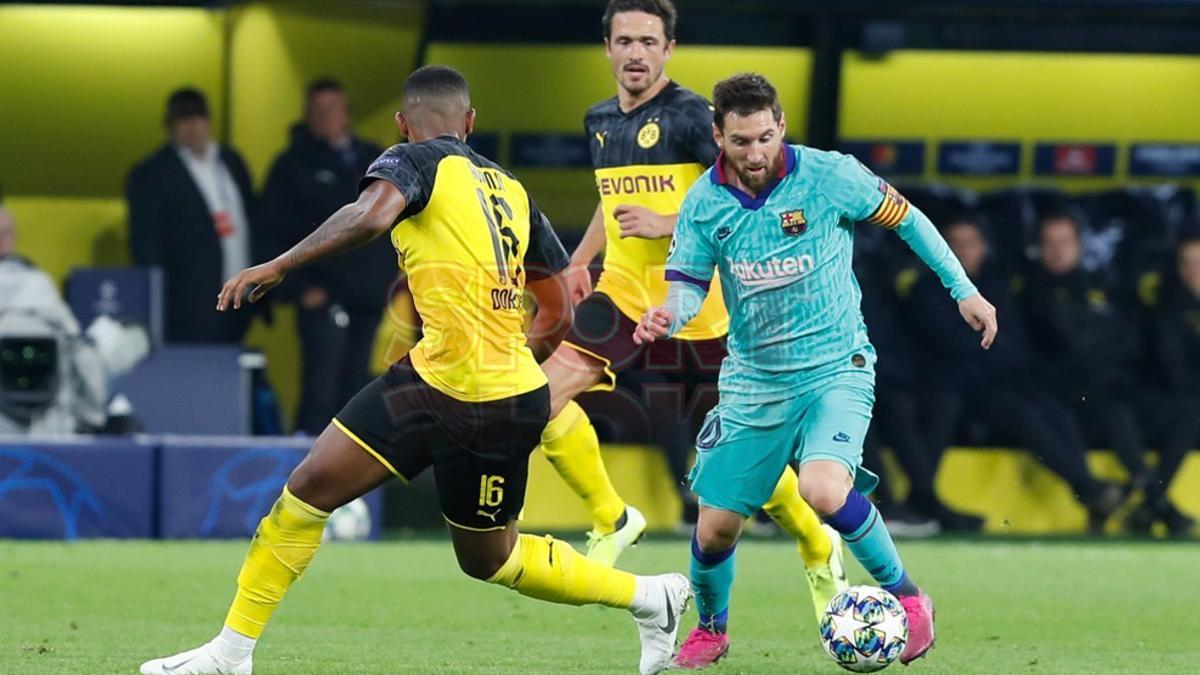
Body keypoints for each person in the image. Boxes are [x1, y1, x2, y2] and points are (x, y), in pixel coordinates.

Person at [139, 66, 690, 675]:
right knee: (307, 492)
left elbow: (372, 216)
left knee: (487, 559)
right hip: (444, 385)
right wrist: (521, 352)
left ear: (403, 124)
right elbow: (561, 293)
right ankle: (230, 654)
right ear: (471, 123)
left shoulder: (413, 160)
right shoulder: (511, 187)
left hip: (481, 400)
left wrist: (278, 265)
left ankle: (649, 597)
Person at [635, 73, 999, 668]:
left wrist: (964, 290)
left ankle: (908, 599)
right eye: (740, 142)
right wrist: (665, 318)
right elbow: (688, 288)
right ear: (717, 136)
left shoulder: (831, 176)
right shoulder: (703, 203)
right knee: (713, 532)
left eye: (765, 138)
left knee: (823, 489)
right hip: (754, 382)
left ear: (780, 126)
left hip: (836, 366)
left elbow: (908, 218)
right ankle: (712, 631)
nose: (755, 154)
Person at [539, 0, 845, 613]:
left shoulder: (688, 117)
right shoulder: (599, 119)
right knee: (535, 402)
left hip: (704, 309)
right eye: (624, 40)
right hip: (623, 293)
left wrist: (667, 222)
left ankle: (817, 541)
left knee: (748, 463)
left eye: (648, 41)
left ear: (669, 49)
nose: (635, 53)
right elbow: (610, 199)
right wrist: (579, 260)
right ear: (607, 48)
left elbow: (748, 195)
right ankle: (612, 517)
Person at [907, 217, 1123, 531]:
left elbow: (1014, 342)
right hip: (960, 386)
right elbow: (952, 346)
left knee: (1053, 408)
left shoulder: (994, 285)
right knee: (1021, 412)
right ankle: (1089, 488)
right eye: (956, 244)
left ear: (983, 247)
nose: (964, 251)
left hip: (1002, 379)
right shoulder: (926, 290)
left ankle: (1087, 488)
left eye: (971, 243)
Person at [1022, 213, 1179, 528]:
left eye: (1064, 242)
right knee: (1114, 410)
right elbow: (1074, 344)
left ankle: (1151, 496)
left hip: (1114, 386)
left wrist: (1096, 340)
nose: (1057, 250)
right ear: (1039, 248)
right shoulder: (1033, 293)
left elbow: (1130, 342)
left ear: (1079, 245)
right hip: (1070, 400)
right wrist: (1099, 337)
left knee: (1186, 409)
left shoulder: (1099, 284)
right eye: (1049, 243)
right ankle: (1153, 499)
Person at [261, 79, 393, 436]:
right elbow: (273, 232)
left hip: (369, 299)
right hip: (322, 298)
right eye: (317, 109)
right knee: (320, 391)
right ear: (306, 115)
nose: (325, 116)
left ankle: (350, 476)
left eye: (332, 108)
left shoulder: (376, 157)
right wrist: (300, 289)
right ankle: (306, 475)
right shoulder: (292, 166)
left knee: (358, 392)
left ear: (346, 113)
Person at [127, 88, 259, 344]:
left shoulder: (231, 161)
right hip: (188, 303)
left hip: (241, 296)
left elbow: (253, 218)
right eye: (182, 120)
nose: (192, 126)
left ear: (208, 122)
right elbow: (146, 244)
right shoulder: (151, 174)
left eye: (197, 118)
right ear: (169, 127)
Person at [1132, 237, 1200, 536]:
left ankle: (1151, 504)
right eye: (1187, 263)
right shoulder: (1166, 310)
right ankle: (1155, 500)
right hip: (1171, 402)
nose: (1193, 271)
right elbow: (1175, 373)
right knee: (1189, 412)